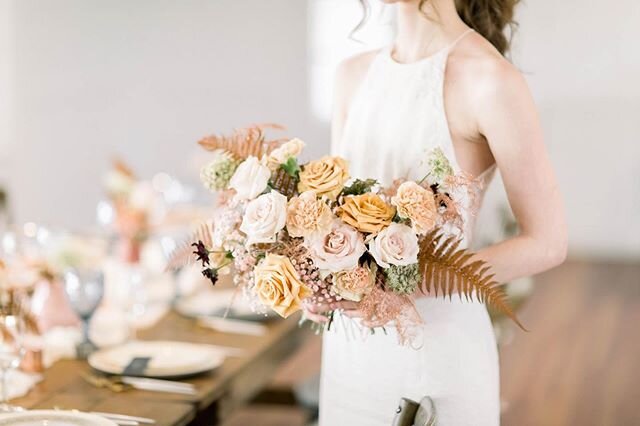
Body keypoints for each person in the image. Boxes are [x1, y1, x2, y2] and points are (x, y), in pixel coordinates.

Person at [314, 0, 567, 424]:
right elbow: (335, 211)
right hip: (349, 354)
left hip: (435, 354)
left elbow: (548, 242)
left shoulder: (489, 80)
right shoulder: (350, 75)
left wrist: (413, 282)